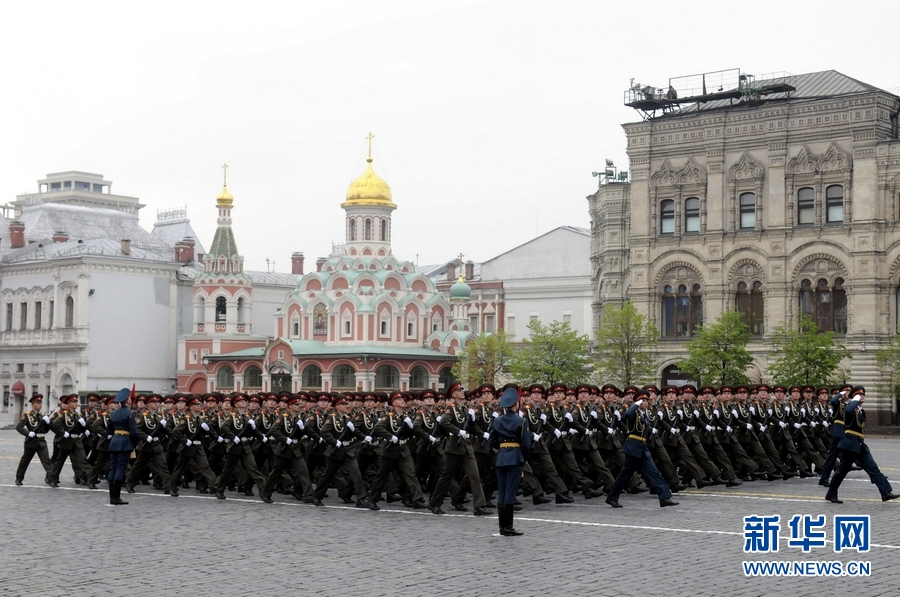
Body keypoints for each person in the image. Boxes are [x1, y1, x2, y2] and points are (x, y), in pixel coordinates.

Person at [605, 390, 679, 508]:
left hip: (642, 448)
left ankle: (664, 497)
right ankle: (612, 497)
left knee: (654, 472)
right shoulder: (634, 413)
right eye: (643, 401)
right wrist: (636, 404)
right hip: (633, 448)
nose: (645, 403)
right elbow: (628, 414)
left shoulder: (644, 415)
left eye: (646, 401)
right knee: (625, 475)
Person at [825, 387, 899, 504]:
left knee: (873, 467)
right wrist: (854, 400)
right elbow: (847, 410)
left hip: (859, 444)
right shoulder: (849, 408)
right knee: (841, 471)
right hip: (849, 444)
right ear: (854, 397)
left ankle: (885, 492)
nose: (862, 396)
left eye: (863, 394)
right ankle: (831, 494)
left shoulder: (860, 410)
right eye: (859, 395)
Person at [489, 387, 532, 536]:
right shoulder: (521, 421)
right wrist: (523, 457)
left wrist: (502, 449)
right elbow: (526, 444)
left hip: (501, 457)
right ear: (516, 404)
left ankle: (502, 527)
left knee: (502, 491)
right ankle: (508, 527)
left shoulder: (498, 420)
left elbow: (492, 440)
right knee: (510, 492)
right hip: (515, 457)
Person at [106, 388, 139, 505]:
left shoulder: (113, 413)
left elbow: (109, 431)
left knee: (113, 468)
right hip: (125, 442)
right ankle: (116, 497)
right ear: (127, 400)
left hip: (114, 441)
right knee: (120, 469)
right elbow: (134, 432)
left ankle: (112, 496)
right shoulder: (130, 413)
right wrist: (134, 444)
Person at [15, 394, 54, 485]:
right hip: (31, 442)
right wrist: (28, 433)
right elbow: (19, 427)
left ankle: (52, 479)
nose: (39, 405)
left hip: (41, 442)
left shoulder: (42, 416)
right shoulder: (27, 415)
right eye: (37, 403)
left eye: (40, 403)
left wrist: (48, 423)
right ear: (32, 404)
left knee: (47, 461)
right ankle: (19, 478)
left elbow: (45, 430)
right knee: (25, 461)